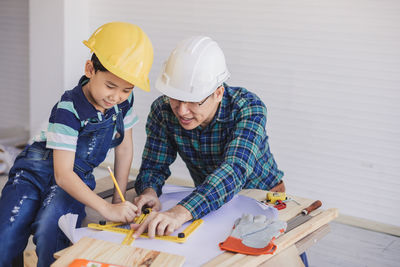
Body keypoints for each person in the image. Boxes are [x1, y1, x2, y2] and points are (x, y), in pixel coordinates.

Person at [0, 21, 153, 266]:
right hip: (36, 172)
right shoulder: (68, 110)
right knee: (7, 230)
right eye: (110, 86)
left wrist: (118, 199)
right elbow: (62, 175)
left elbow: (124, 148)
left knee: (53, 227)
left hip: (76, 178)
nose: (116, 97)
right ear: (90, 69)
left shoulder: (122, 103)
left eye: (126, 89)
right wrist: (105, 208)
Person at [132, 36, 284, 239]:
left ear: (218, 93)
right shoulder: (163, 110)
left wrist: (179, 212)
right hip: (210, 201)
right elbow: (153, 165)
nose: (182, 111)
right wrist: (149, 191)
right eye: (175, 97)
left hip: (263, 199)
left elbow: (234, 170)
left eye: (194, 101)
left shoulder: (248, 108)